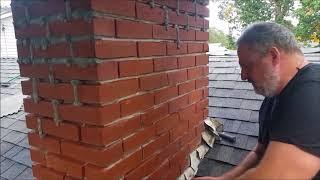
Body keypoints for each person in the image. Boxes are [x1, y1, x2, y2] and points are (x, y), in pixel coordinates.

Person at [194, 22, 320, 179]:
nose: (243, 75)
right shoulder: (273, 97)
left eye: (247, 66)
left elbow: (274, 177)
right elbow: (260, 151)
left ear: (273, 56)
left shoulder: (313, 90)